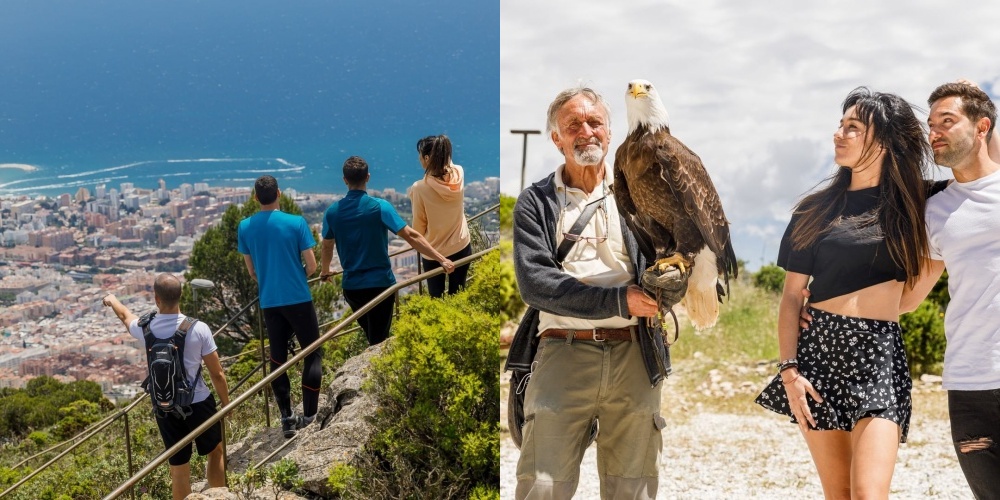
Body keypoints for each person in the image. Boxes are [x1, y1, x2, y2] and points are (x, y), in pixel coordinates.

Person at [754, 87, 934, 499]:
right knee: (839, 493)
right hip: (819, 356)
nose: (839, 134)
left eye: (852, 127)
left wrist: (975, 102)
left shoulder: (916, 202)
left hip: (879, 356)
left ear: (885, 140)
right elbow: (791, 297)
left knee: (869, 493)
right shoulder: (814, 210)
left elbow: (984, 171)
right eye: (840, 125)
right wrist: (789, 372)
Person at [512, 85, 673, 500]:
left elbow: (670, 257)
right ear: (557, 139)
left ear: (609, 131)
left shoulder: (638, 195)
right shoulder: (536, 202)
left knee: (632, 490)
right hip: (562, 353)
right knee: (542, 488)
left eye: (595, 122)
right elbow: (536, 284)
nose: (586, 131)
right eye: (573, 125)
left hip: (636, 354)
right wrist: (620, 300)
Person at [901, 81, 1000, 499]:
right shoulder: (935, 210)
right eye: (931, 125)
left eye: (947, 120)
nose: (934, 132)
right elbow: (909, 298)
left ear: (982, 127)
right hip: (970, 383)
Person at [103, 274, 229, 500]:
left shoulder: (146, 328)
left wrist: (112, 299)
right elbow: (217, 374)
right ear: (180, 296)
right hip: (199, 402)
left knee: (178, 468)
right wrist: (227, 404)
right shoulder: (198, 329)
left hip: (165, 406)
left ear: (156, 299)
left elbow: (125, 315)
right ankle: (219, 496)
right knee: (215, 451)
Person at [319, 155, 456, 345]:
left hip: (352, 288)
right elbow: (411, 235)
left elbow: (326, 245)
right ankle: (376, 371)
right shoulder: (379, 207)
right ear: (368, 177)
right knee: (379, 339)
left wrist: (325, 271)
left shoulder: (332, 212)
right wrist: (442, 259)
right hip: (380, 285)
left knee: (372, 334)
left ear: (344, 180)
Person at [237, 175, 321, 438]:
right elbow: (313, 266)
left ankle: (286, 417)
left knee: (277, 359)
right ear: (279, 194)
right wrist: (296, 276)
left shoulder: (245, 227)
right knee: (312, 353)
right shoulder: (296, 223)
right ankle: (310, 414)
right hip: (298, 297)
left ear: (255, 198)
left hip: (270, 301)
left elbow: (251, 271)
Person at [409, 134, 472, 297]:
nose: (419, 159)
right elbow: (448, 164)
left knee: (436, 299)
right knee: (458, 294)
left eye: (421, 156)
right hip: (462, 245)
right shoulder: (458, 174)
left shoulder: (419, 188)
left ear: (428, 157)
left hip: (434, 252)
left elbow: (418, 227)